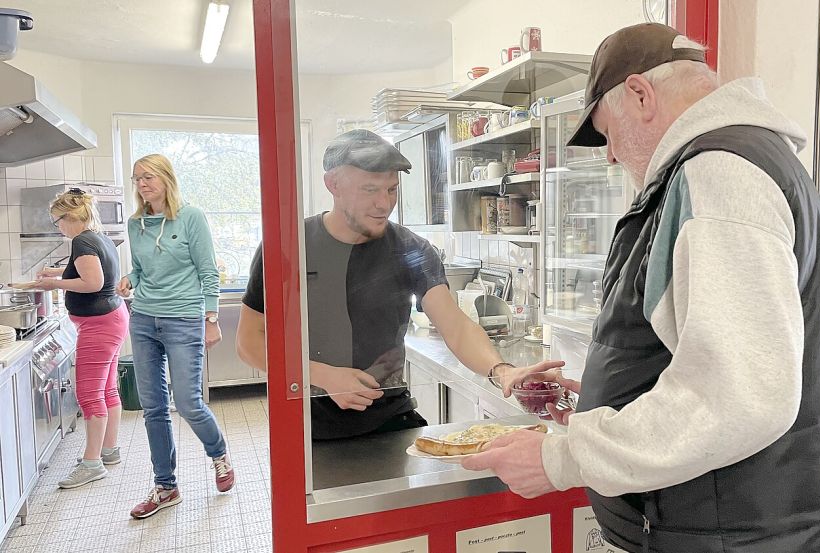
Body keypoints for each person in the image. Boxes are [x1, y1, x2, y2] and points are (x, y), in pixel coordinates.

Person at [462, 23, 820, 553]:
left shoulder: (719, 173)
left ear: (640, 95)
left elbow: (738, 396)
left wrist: (561, 458)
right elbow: (716, 358)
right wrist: (617, 405)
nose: (607, 155)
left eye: (606, 132)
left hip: (735, 538)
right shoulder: (735, 162)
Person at [236, 129, 561, 440]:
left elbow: (457, 327)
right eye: (370, 190)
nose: (384, 203)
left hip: (390, 421)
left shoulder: (411, 250)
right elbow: (250, 341)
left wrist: (501, 370)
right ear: (332, 184)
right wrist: (323, 376)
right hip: (305, 428)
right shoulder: (288, 247)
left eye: (391, 190)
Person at [117, 153, 235, 519]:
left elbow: (207, 270)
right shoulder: (136, 224)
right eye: (137, 178)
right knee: (153, 408)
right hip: (144, 319)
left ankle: (218, 454)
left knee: (188, 403)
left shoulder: (190, 217)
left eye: (149, 176)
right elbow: (139, 268)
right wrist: (130, 279)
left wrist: (211, 317)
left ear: (167, 179)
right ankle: (165, 486)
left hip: (184, 319)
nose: (142, 184)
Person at [33, 189, 129, 489]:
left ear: (70, 216)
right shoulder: (96, 237)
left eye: (57, 221)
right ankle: (108, 450)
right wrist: (60, 271)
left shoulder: (82, 240)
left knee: (89, 395)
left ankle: (92, 464)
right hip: (112, 318)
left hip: (97, 326)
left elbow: (93, 282)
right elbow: (94, 272)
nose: (58, 227)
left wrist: (53, 283)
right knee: (107, 389)